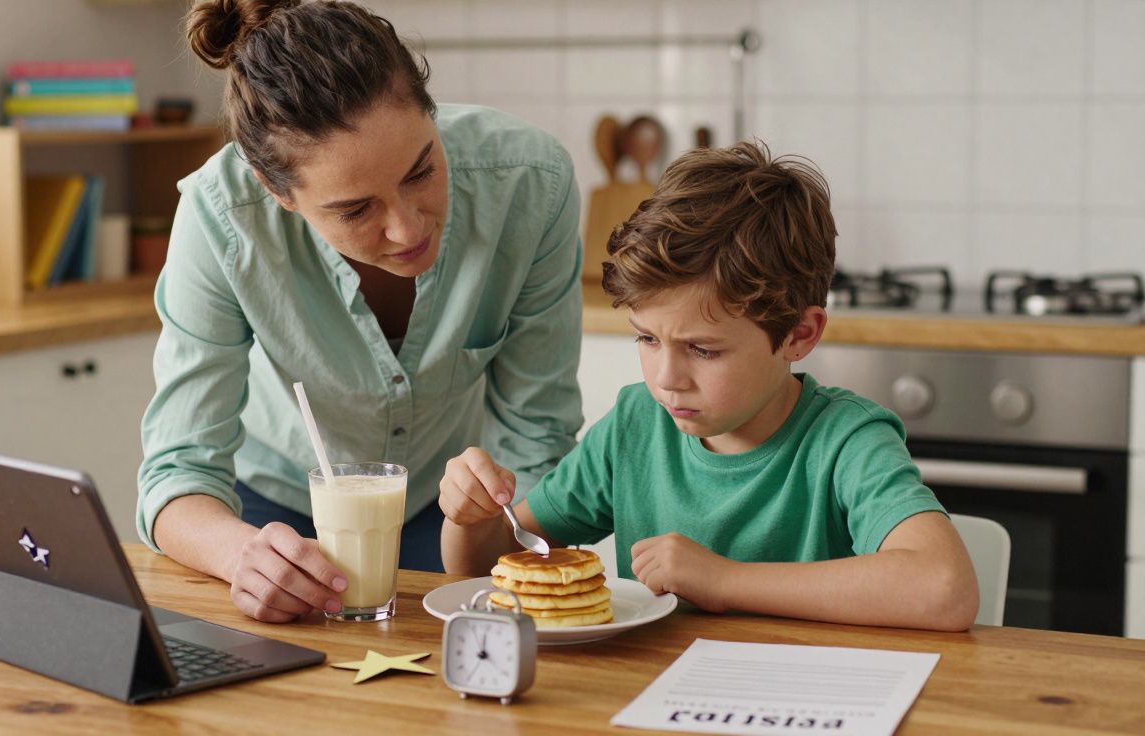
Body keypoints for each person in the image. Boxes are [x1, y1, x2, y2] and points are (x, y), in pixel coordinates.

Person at [138, 0, 584, 624]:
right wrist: (240, 554)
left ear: (431, 113)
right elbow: (176, 472)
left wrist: (502, 547)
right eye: (354, 210)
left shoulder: (530, 183)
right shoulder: (221, 216)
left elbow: (538, 437)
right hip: (274, 518)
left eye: (422, 170)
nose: (406, 229)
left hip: (454, 507)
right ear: (278, 193)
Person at [440, 142, 981, 632]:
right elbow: (486, 569)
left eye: (703, 350)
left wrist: (723, 581)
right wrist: (468, 518)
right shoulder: (636, 426)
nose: (665, 379)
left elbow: (945, 589)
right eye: (648, 339)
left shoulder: (845, 441)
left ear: (798, 334)